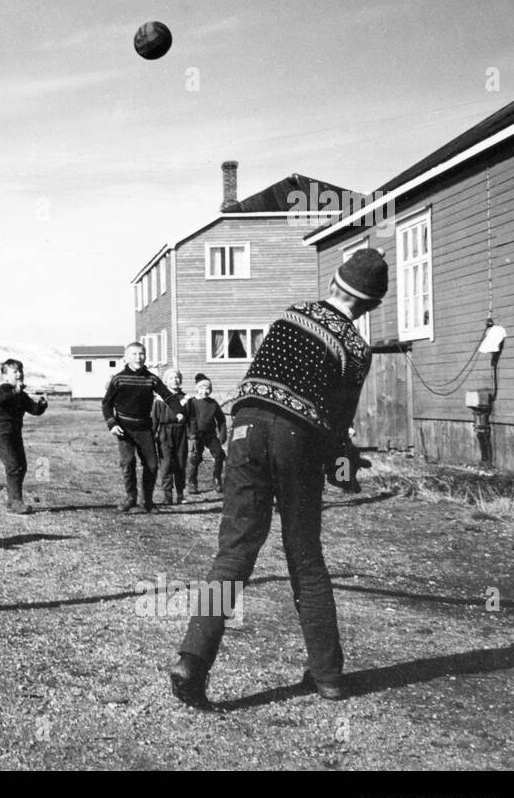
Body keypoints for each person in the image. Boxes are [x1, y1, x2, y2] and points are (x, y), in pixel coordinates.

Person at [168, 248, 388, 708]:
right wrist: (343, 470)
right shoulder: (355, 350)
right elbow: (338, 424)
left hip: (246, 428)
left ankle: (192, 659)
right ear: (369, 306)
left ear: (333, 284)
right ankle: (327, 676)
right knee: (305, 557)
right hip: (298, 439)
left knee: (232, 555)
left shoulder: (293, 315)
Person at [101, 343, 183, 513]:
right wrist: (112, 423)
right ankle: (131, 498)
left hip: (144, 428)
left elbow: (169, 396)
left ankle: (147, 501)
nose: (138, 357)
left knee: (152, 465)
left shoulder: (151, 379)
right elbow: (106, 404)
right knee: (128, 462)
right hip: (124, 428)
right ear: (126, 357)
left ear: (145, 356)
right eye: (134, 354)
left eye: (141, 354)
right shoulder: (119, 379)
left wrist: (179, 411)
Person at [0, 359, 48, 514]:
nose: (19, 374)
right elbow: (2, 401)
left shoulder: (21, 395)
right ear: (5, 376)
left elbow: (34, 409)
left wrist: (42, 404)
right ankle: (17, 502)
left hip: (15, 434)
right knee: (13, 466)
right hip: (2, 434)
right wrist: (15, 391)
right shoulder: (3, 389)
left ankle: (12, 501)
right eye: (15, 371)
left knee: (22, 466)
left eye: (20, 371)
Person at [185, 374, 227, 494]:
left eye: (207, 388)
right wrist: (190, 435)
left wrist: (222, 435)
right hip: (196, 435)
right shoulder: (191, 402)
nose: (205, 391)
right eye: (202, 388)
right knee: (195, 458)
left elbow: (221, 420)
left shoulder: (213, 403)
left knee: (219, 455)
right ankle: (192, 482)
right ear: (197, 389)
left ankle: (217, 479)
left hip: (210, 435)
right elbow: (187, 419)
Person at [152, 369, 189, 505]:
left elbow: (191, 419)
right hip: (165, 433)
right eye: (171, 378)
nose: (175, 380)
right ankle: (168, 495)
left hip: (180, 433)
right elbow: (154, 420)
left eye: (177, 377)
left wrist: (192, 434)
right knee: (166, 464)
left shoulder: (185, 399)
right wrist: (152, 434)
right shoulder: (160, 400)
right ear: (166, 381)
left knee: (180, 463)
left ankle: (180, 494)